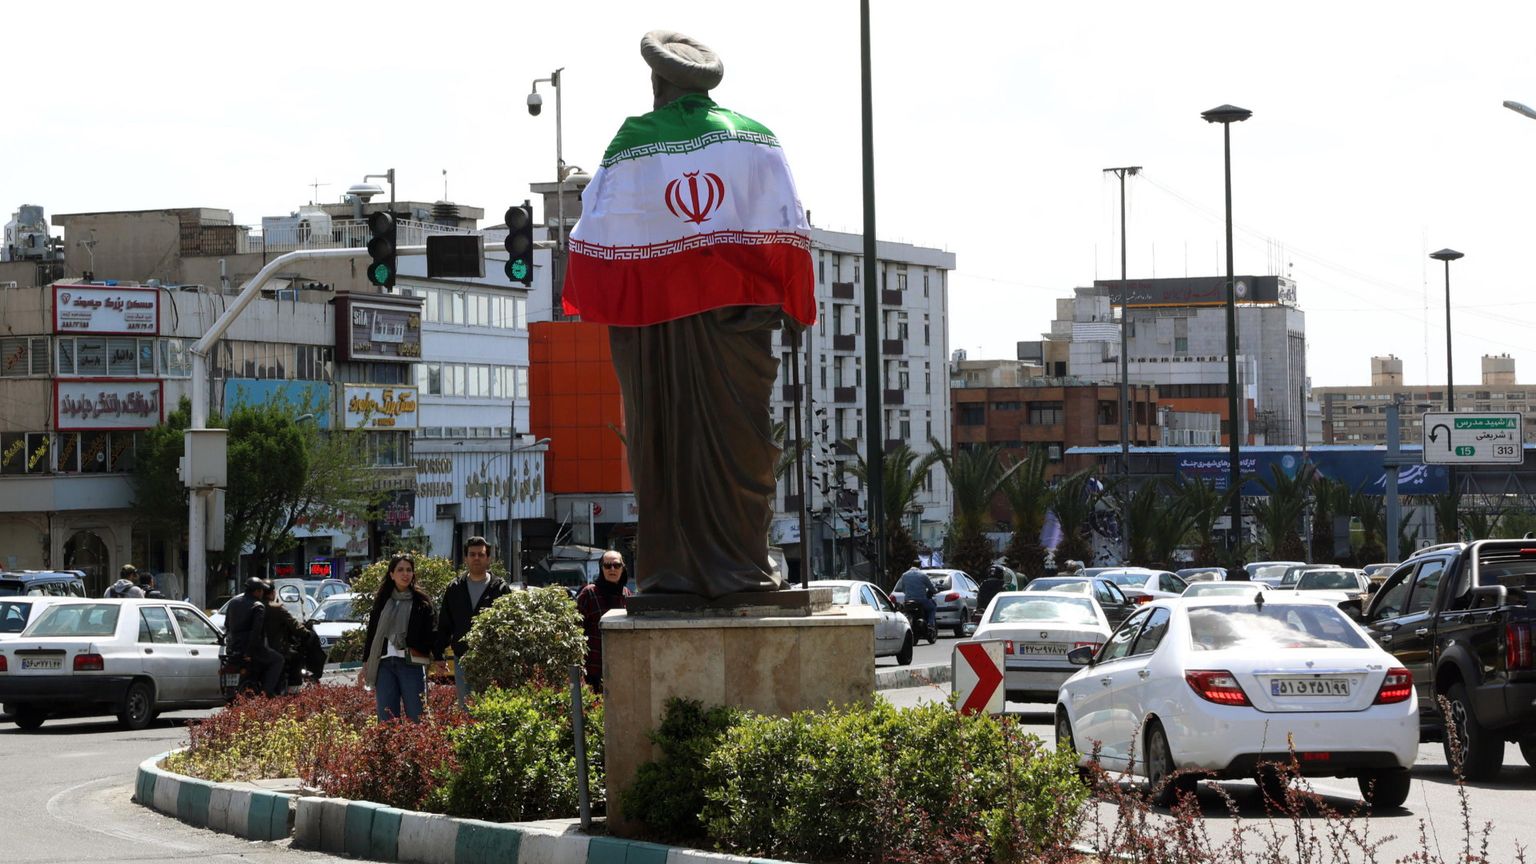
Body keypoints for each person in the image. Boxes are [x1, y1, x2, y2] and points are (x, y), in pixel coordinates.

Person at [562, 30, 816, 599]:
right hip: (736, 324)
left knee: (661, 441)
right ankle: (743, 566)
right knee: (741, 442)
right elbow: (789, 226)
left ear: (657, 82)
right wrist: (794, 299)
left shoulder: (635, 141)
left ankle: (670, 571)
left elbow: (596, 228)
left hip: (656, 326)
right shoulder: (755, 138)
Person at [436, 536, 512, 708]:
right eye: (472, 554)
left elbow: (510, 625)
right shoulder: (455, 588)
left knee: (492, 707)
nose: (476, 558)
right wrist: (439, 654)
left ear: (488, 558)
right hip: (463, 658)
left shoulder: (500, 588)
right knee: (466, 709)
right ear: (466, 558)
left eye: (481, 554)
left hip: (493, 660)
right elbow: (445, 623)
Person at [360, 553, 436, 722]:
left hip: (411, 664)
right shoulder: (382, 601)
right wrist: (366, 662)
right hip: (384, 664)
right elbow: (372, 633)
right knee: (387, 719)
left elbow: (431, 634)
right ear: (392, 574)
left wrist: (436, 656)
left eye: (409, 570)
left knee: (417, 717)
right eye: (400, 570)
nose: (405, 574)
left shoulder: (421, 603)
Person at [575, 550, 632, 692]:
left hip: (621, 668)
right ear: (601, 569)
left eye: (616, 565)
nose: (612, 569)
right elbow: (574, 632)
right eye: (607, 566)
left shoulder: (626, 594)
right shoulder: (589, 593)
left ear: (622, 568)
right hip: (593, 670)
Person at [225, 577, 282, 697]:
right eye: (261, 591)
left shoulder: (233, 602)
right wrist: (249, 653)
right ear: (256, 591)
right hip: (252, 649)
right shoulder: (258, 606)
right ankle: (267, 693)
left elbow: (227, 625)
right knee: (278, 660)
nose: (262, 593)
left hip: (234, 647)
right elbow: (256, 632)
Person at [261, 582, 308, 694]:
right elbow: (294, 625)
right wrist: (307, 632)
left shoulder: (254, 605)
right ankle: (292, 689)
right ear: (273, 593)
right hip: (275, 647)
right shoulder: (277, 608)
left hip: (254, 647)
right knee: (296, 657)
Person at [895, 560, 937, 637]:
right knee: (932, 608)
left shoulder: (904, 575)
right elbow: (932, 588)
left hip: (908, 600)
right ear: (920, 566)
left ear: (911, 565)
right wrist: (935, 591)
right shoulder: (923, 575)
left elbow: (903, 588)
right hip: (921, 600)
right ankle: (931, 625)